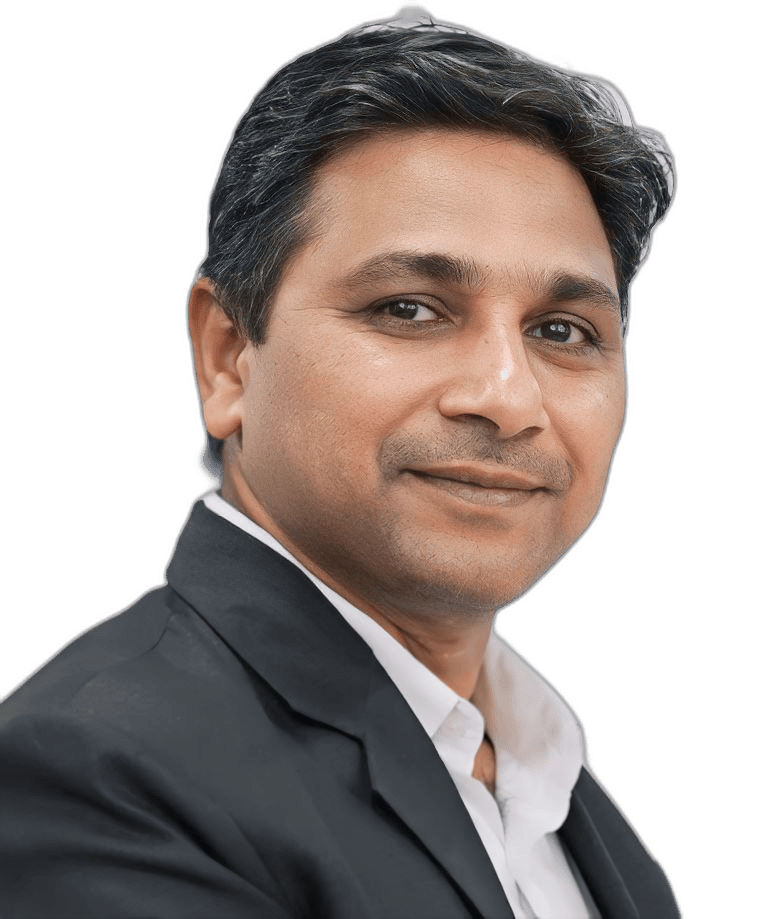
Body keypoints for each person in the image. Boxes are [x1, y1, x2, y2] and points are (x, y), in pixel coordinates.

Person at [0, 4, 681, 917]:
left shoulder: (558, 792)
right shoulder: (97, 774)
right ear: (227, 357)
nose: (509, 396)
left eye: (563, 331)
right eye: (409, 308)